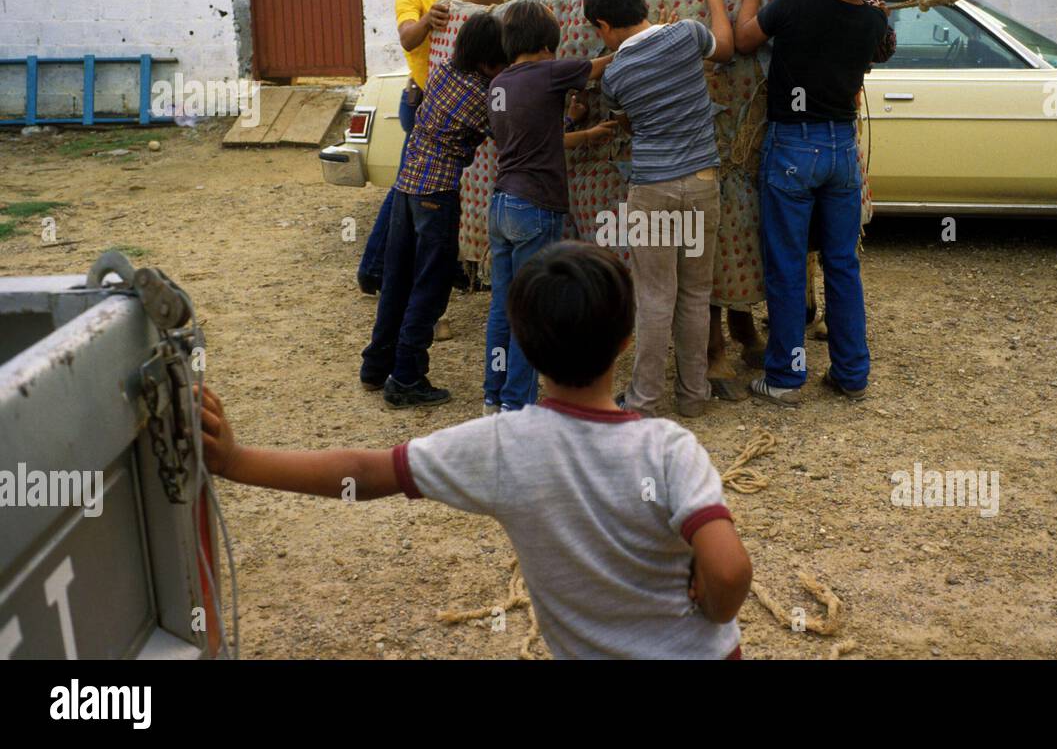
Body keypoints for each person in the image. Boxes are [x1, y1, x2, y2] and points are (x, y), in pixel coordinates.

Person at [200, 242, 752, 659]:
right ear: (626, 341)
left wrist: (235, 460)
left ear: (524, 347)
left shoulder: (503, 447)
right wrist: (711, 607)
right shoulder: (670, 449)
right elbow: (728, 572)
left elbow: (363, 474)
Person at [731, 0, 890, 407]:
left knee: (786, 265)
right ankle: (851, 373)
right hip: (842, 150)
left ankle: (785, 377)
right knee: (842, 264)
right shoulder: (871, 21)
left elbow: (742, 39)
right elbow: (884, 44)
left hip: (793, 149)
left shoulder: (796, 1)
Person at [582, 0, 734, 418]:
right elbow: (724, 48)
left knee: (654, 297)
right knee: (695, 294)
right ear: (643, 8)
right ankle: (693, 396)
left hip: (652, 189)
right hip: (704, 182)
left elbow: (628, 122)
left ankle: (645, 401)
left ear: (603, 27)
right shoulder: (687, 34)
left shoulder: (616, 75)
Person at [360, 14, 507, 408]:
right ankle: (406, 378)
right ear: (489, 58)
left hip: (406, 187)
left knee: (398, 280)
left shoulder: (441, 73)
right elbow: (513, 135)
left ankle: (376, 365)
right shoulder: (483, 95)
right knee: (430, 285)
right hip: (437, 194)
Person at [484, 1, 616, 413]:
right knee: (531, 312)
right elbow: (600, 65)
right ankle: (516, 406)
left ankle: (494, 394)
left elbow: (536, 140)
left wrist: (578, 126)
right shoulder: (548, 72)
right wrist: (644, 37)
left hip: (501, 203)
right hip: (535, 206)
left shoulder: (500, 86)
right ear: (546, 44)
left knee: (504, 306)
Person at [358, 0, 473, 299]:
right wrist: (428, 19)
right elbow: (408, 36)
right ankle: (374, 269)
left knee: (432, 189)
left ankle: (441, 266)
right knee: (409, 193)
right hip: (423, 105)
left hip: (454, 109)